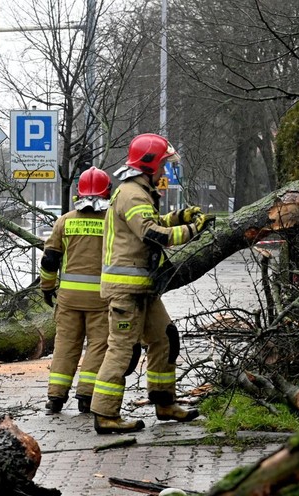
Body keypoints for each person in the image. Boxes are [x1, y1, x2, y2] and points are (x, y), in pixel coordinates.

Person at [91, 133, 213, 434]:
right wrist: (192, 229)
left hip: (143, 287)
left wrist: (179, 217)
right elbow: (151, 234)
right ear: (150, 163)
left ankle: (164, 402)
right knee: (121, 350)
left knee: (165, 338)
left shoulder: (140, 190)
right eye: (162, 163)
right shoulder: (132, 193)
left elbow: (152, 222)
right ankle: (105, 414)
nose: (164, 170)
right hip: (127, 291)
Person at [40, 167, 112, 414]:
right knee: (98, 345)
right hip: (102, 299)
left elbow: (49, 260)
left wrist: (47, 288)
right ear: (107, 192)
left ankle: (55, 397)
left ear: (78, 194)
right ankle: (86, 395)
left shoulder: (65, 221)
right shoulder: (113, 222)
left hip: (68, 299)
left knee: (66, 345)